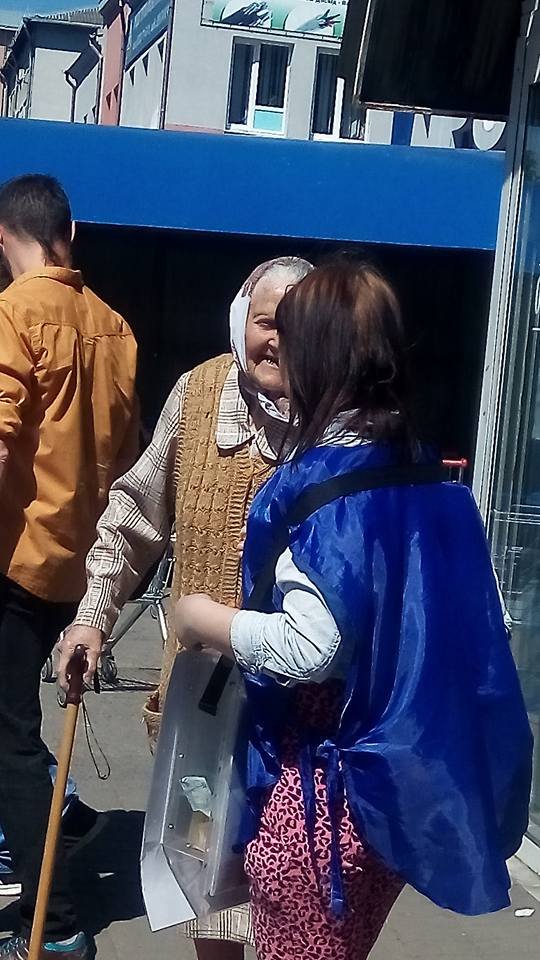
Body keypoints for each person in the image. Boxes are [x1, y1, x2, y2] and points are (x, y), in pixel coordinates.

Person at [173, 262, 533, 960]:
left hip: (319, 803)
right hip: (389, 793)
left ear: (317, 359)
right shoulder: (428, 476)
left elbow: (312, 648)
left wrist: (199, 617)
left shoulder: (319, 490)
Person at [58, 256, 314, 960]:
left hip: (305, 721)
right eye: (267, 322)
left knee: (299, 906)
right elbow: (135, 516)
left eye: (299, 325)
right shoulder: (199, 394)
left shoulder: (337, 417)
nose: (280, 340)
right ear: (240, 320)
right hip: (201, 718)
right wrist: (93, 615)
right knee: (210, 897)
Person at [0, 174, 139, 960]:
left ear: (3, 238)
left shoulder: (12, 314)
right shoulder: (116, 328)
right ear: (70, 233)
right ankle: (65, 820)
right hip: (77, 568)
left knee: (9, 741)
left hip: (13, 561)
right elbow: (128, 455)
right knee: (12, 732)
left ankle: (53, 926)